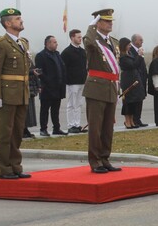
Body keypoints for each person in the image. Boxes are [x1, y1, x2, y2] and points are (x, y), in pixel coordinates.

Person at [0, 8, 32, 179]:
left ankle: (15, 166)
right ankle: (4, 168)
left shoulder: (23, 43)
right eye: (17, 19)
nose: (21, 21)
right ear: (8, 23)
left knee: (17, 132)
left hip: (21, 94)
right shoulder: (0, 43)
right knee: (5, 132)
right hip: (7, 94)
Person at [83, 9, 122, 174]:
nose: (110, 23)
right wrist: (91, 26)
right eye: (106, 21)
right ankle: (95, 161)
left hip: (111, 87)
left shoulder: (114, 41)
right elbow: (89, 43)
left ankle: (105, 158)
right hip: (96, 88)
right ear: (98, 23)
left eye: (111, 21)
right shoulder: (92, 40)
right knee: (96, 128)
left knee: (107, 128)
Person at [34, 35, 67, 136]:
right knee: (45, 109)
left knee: (55, 109)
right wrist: (48, 81)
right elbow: (39, 72)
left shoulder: (57, 54)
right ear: (48, 43)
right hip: (47, 87)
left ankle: (56, 128)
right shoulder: (41, 55)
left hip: (58, 86)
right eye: (54, 42)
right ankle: (43, 129)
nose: (56, 44)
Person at [119, 34, 148, 128]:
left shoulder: (129, 54)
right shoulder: (123, 57)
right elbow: (133, 65)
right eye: (128, 45)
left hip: (135, 78)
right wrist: (139, 56)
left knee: (135, 101)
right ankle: (127, 121)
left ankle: (133, 121)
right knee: (128, 101)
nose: (130, 46)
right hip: (128, 80)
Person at [62, 30, 87, 134]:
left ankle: (77, 124)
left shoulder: (82, 51)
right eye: (78, 37)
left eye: (81, 37)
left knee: (79, 104)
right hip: (72, 82)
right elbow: (63, 68)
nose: (80, 39)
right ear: (72, 38)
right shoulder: (66, 52)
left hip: (81, 81)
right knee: (71, 104)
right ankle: (71, 125)